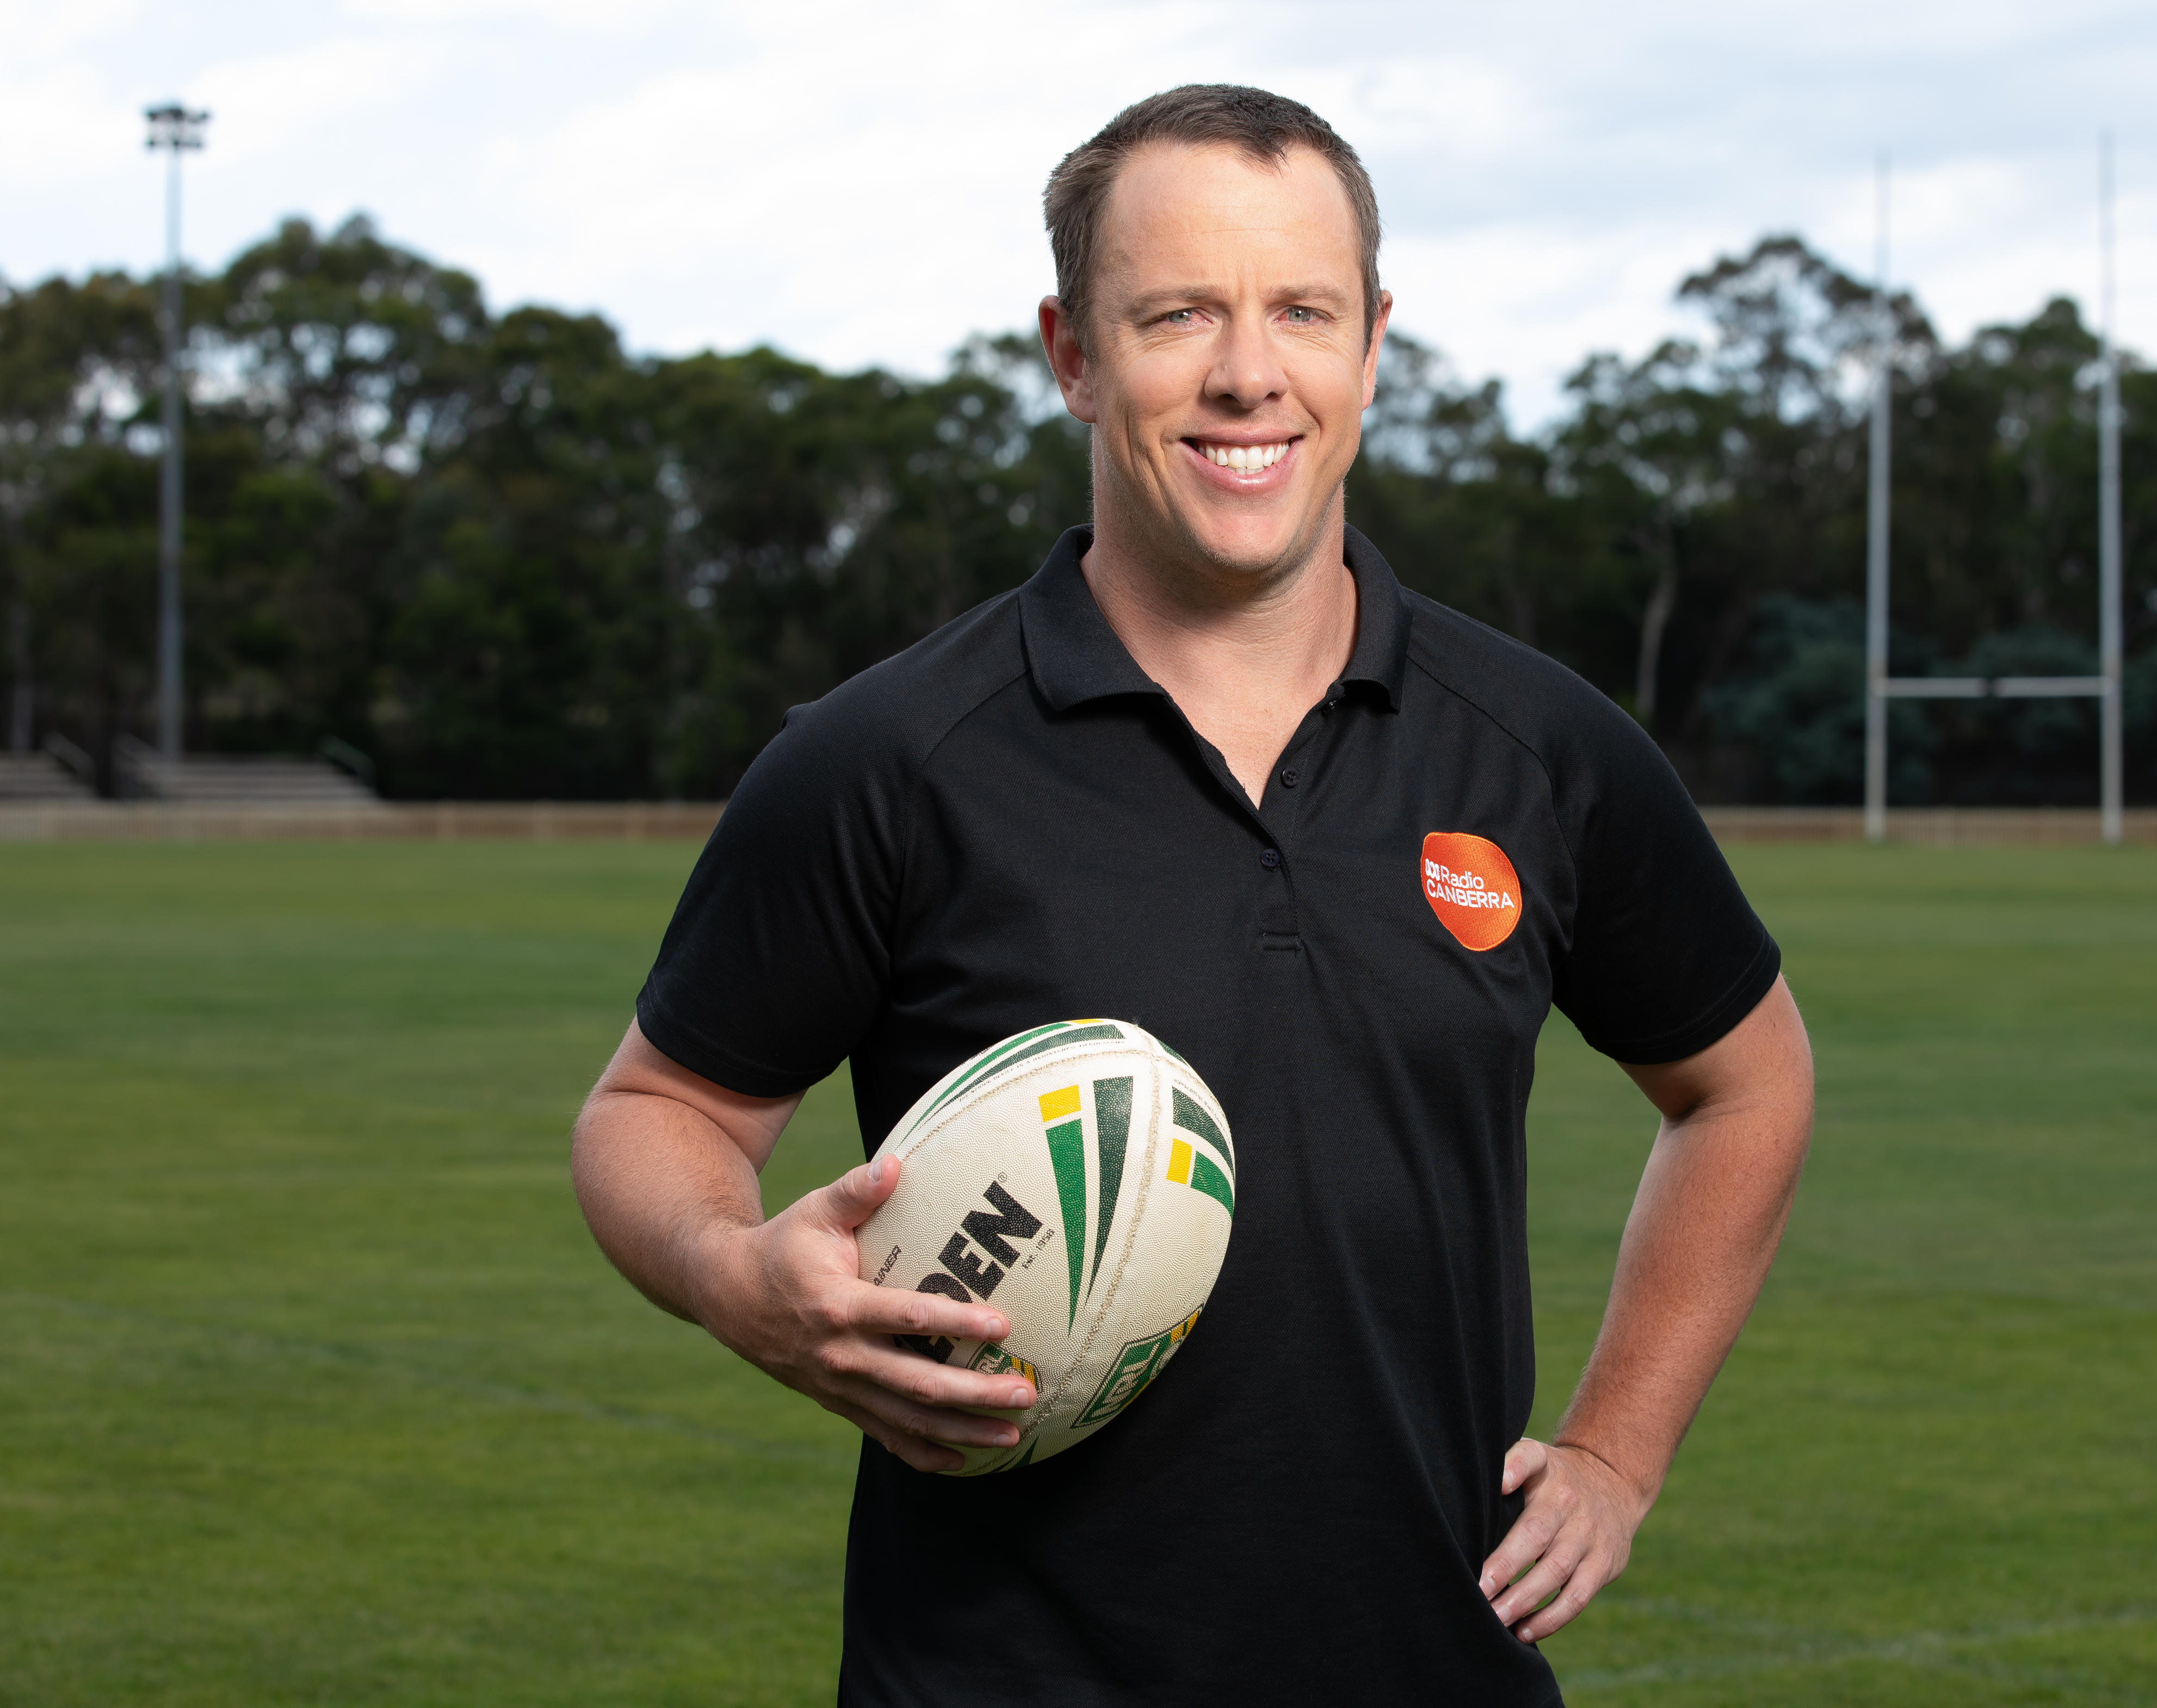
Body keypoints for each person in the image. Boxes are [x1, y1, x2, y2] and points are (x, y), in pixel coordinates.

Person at [572, 83, 1813, 1705]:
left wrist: (1617, 1450)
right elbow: (656, 1107)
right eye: (1177, 315)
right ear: (1074, 355)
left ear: (1372, 345)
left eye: (1301, 310)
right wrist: (736, 1277)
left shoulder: (1540, 750)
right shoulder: (891, 759)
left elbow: (1748, 1080)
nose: (1249, 373)